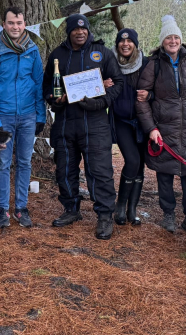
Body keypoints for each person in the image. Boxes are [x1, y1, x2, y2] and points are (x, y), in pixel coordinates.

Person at [42, 14, 123, 239]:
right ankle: (71, 209)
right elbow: (47, 84)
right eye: (75, 30)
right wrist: (52, 97)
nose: (80, 33)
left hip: (95, 123)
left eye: (84, 29)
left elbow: (118, 83)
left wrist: (100, 102)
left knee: (100, 171)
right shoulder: (57, 55)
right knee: (64, 169)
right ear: (68, 31)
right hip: (65, 122)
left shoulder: (102, 53)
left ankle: (105, 215)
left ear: (88, 30)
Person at [136, 15, 186, 236]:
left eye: (176, 37)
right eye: (168, 37)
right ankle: (168, 214)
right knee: (165, 175)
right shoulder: (153, 65)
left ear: (181, 40)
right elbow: (141, 100)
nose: (173, 41)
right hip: (164, 130)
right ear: (162, 41)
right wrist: (151, 128)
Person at [0, 7, 45, 229]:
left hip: (28, 116)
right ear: (4, 24)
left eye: (18, 23)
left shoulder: (32, 50)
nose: (15, 27)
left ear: (24, 24)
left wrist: (40, 115)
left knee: (25, 162)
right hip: (3, 117)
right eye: (10, 23)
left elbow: (38, 84)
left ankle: (21, 208)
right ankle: (2, 209)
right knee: (3, 163)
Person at [108, 28, 149, 226]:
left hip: (142, 121)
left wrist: (150, 95)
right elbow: (96, 85)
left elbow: (158, 89)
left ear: (135, 44)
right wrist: (103, 83)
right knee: (132, 160)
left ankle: (132, 209)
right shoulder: (110, 63)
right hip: (121, 121)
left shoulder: (146, 63)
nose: (125, 44)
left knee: (140, 165)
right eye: (121, 42)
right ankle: (120, 205)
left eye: (129, 41)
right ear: (117, 45)